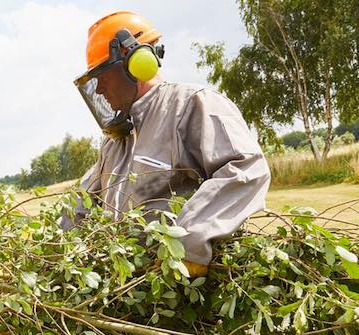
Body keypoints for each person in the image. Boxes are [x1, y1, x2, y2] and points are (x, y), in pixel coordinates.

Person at [63, 11, 271, 276]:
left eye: (102, 76)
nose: (100, 89)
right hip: (126, 289)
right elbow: (81, 203)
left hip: (178, 287)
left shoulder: (191, 106)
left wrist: (188, 245)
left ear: (134, 63)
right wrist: (60, 255)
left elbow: (245, 168)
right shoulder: (116, 140)